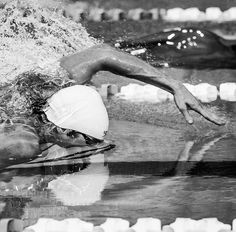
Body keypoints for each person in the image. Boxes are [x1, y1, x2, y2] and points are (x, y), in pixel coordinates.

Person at [0, 44, 226, 149]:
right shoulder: (20, 136)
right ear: (61, 129)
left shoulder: (60, 81)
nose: (92, 146)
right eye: (88, 140)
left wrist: (175, 86)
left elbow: (103, 54)